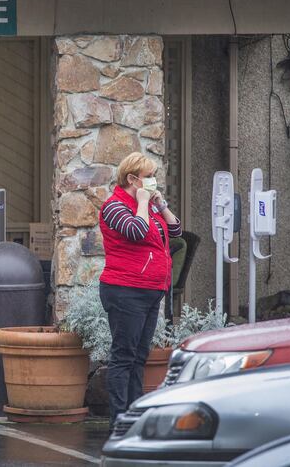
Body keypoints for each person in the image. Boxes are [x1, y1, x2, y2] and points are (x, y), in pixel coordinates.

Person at [98, 152, 182, 430]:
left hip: (150, 290)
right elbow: (136, 230)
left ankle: (134, 416)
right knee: (123, 356)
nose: (153, 181)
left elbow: (176, 230)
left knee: (139, 356)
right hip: (125, 290)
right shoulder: (114, 206)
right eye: (148, 177)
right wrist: (143, 204)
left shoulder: (146, 205)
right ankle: (119, 421)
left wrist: (160, 203)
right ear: (132, 179)